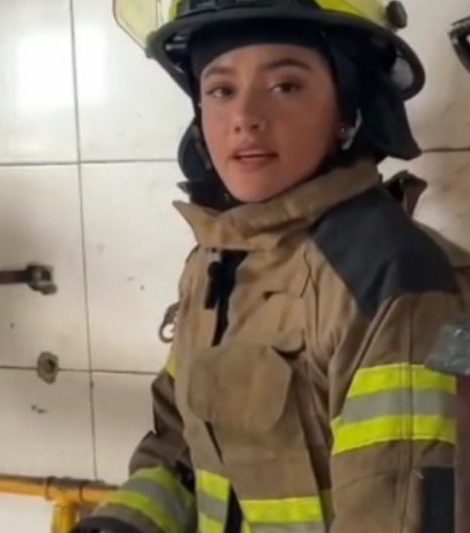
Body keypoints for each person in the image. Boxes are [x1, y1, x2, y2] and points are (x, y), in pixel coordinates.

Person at [75, 0, 464, 531]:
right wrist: (121, 525)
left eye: (285, 86)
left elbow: (399, 515)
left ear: (348, 111)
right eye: (221, 90)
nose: (245, 117)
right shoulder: (216, 260)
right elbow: (183, 448)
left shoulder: (391, 276)